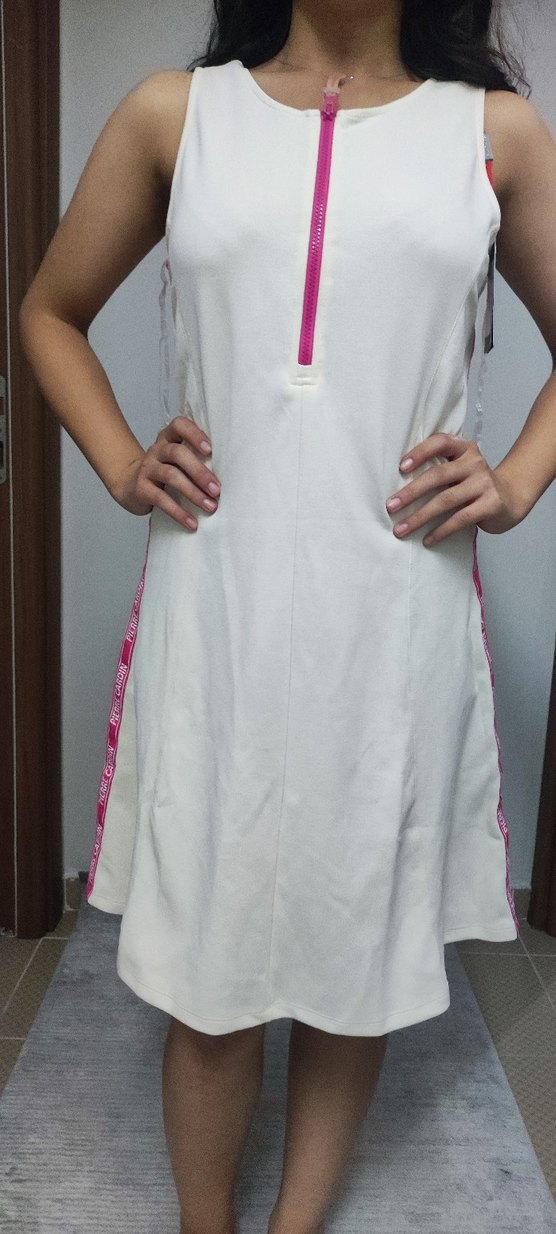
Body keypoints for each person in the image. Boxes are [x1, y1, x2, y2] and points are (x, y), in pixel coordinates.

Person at [18, 2, 556, 1232]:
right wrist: (121, 459)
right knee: (209, 963)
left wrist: (519, 477)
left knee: (352, 943)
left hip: (397, 610)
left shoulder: (493, 133)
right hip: (220, 604)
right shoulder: (177, 115)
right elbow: (49, 310)